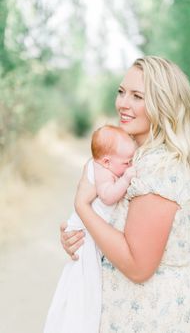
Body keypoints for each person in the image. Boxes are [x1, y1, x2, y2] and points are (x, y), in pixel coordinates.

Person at [60, 56, 190, 332]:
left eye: (137, 96)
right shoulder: (132, 159)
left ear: (162, 104)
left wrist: (82, 207)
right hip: (125, 311)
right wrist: (80, 237)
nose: (123, 104)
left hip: (150, 315)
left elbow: (138, 266)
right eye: (121, 92)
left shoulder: (159, 167)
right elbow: (116, 231)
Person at [44, 125, 136, 333]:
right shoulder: (101, 170)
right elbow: (108, 196)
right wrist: (127, 178)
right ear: (106, 161)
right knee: (86, 287)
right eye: (126, 162)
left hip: (94, 231)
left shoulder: (111, 161)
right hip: (86, 234)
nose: (130, 164)